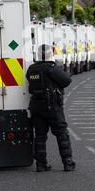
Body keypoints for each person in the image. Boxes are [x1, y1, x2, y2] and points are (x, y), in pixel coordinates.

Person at [26, 44, 76, 172]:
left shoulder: (31, 69)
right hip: (52, 106)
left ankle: (41, 164)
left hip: (36, 106)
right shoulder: (51, 68)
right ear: (50, 54)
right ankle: (68, 162)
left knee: (40, 136)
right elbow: (66, 80)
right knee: (62, 134)